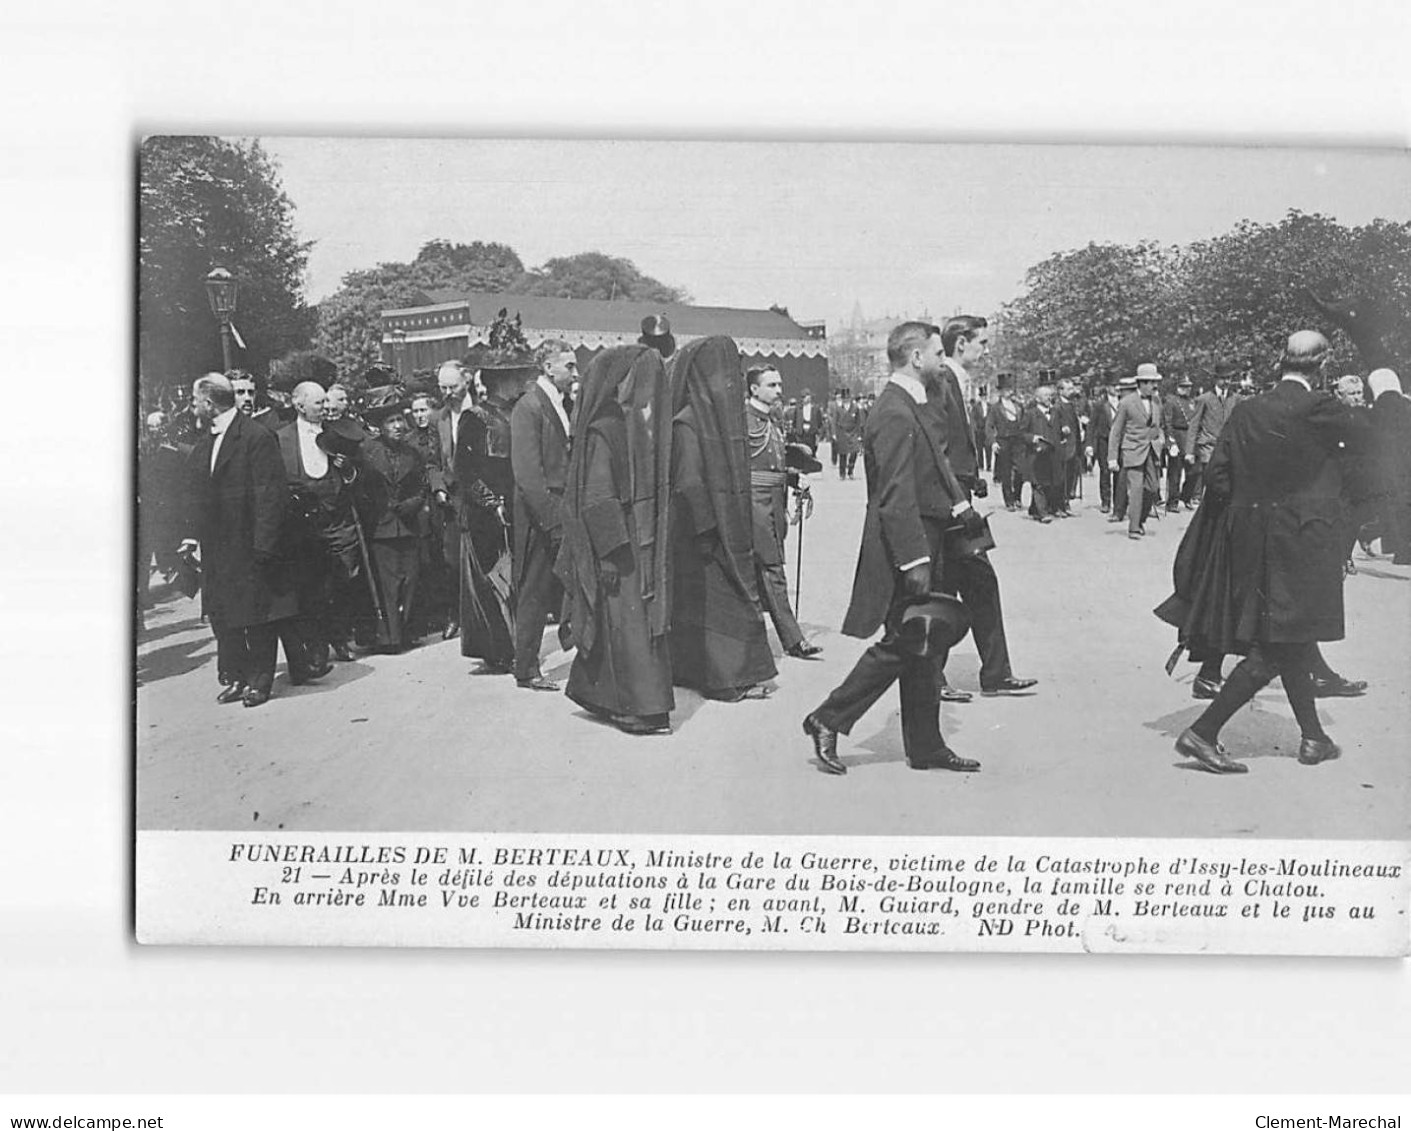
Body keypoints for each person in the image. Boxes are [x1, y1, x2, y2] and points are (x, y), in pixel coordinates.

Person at [1156, 332, 1364, 773]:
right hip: (1303, 543)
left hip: (1251, 545)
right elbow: (1371, 452)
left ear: (1281, 362)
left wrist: (1250, 517)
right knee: (1279, 643)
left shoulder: (1247, 410)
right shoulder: (1323, 409)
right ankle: (1203, 733)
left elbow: (1218, 476)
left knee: (1289, 637)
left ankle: (1313, 737)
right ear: (1322, 364)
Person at [802, 322, 986, 775]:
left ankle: (925, 747)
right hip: (908, 546)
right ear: (915, 357)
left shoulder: (912, 403)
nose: (944, 362)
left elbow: (934, 469)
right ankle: (828, 717)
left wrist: (961, 510)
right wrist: (915, 560)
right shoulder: (894, 411)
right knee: (905, 641)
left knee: (924, 643)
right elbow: (895, 495)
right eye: (939, 354)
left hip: (929, 537)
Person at [556, 345, 675, 735]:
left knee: (629, 626)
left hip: (638, 537)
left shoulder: (635, 424)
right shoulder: (605, 429)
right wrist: (608, 555)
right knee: (629, 627)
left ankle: (612, 697)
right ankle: (638, 707)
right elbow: (597, 498)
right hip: (619, 543)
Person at [667, 336, 778, 701]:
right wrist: (708, 530)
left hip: (723, 530)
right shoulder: (687, 423)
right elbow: (688, 482)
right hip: (704, 534)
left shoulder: (717, 422)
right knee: (718, 607)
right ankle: (725, 679)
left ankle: (722, 673)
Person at [179, 373, 298, 708]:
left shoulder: (256, 437)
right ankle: (235, 676)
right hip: (218, 549)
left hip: (249, 546)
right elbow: (199, 494)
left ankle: (260, 680)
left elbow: (270, 495)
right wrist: (190, 537)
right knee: (223, 615)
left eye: (194, 400)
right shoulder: (206, 441)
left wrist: (264, 545)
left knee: (257, 615)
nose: (192, 407)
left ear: (208, 402)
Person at [935, 316, 1035, 697]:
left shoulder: (957, 381)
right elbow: (938, 448)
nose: (986, 349)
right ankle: (936, 677)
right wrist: (959, 498)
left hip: (960, 496)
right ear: (962, 343)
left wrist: (973, 475)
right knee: (946, 591)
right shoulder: (944, 380)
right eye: (982, 342)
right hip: (950, 505)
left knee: (977, 585)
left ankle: (995, 672)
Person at [276, 381, 361, 664]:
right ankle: (317, 645)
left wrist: (347, 469)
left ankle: (340, 636)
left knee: (345, 579)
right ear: (299, 405)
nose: (326, 408)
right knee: (311, 587)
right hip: (304, 526)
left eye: (327, 402)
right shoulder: (280, 438)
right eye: (319, 403)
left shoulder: (338, 433)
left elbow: (356, 473)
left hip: (338, 519)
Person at [509, 339, 576, 690]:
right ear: (548, 367)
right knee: (533, 590)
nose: (575, 372)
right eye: (570, 366)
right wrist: (551, 519)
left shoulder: (561, 403)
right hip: (540, 513)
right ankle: (526, 668)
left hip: (559, 507)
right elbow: (527, 474)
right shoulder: (529, 406)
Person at [746, 366, 822, 659]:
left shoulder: (773, 418)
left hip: (775, 503)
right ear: (754, 389)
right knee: (772, 568)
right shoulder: (744, 420)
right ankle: (793, 639)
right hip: (755, 504)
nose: (779, 390)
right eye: (772, 385)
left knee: (764, 570)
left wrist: (793, 477)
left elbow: (774, 463)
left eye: (779, 384)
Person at [453, 364, 523, 673]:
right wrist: (490, 502)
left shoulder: (518, 413)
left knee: (514, 578)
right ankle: (498, 649)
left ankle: (517, 643)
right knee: (492, 580)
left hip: (514, 503)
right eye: (514, 380)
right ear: (499, 383)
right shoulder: (475, 417)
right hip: (485, 512)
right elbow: (465, 469)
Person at [356, 397, 426, 652]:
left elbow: (422, 486)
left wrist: (413, 504)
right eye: (390, 421)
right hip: (381, 527)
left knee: (410, 580)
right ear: (380, 427)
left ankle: (406, 631)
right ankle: (389, 637)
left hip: (408, 524)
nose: (397, 426)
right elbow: (359, 488)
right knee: (387, 584)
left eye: (399, 420)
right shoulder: (367, 452)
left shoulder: (413, 453)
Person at [428, 360, 477, 641]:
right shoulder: (439, 418)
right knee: (453, 561)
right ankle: (456, 616)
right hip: (452, 499)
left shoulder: (481, 412)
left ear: (467, 381)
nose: (447, 392)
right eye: (442, 387)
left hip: (480, 496)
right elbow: (432, 462)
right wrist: (438, 488)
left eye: (453, 386)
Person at [1109, 363, 1165, 539]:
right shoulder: (1126, 402)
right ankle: (1133, 528)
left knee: (1153, 487)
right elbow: (1116, 431)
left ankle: (1140, 519)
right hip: (1132, 450)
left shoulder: (1156, 401)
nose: (1153, 386)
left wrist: (1161, 440)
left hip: (1151, 450)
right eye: (1150, 382)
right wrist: (1112, 458)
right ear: (1140, 383)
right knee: (1136, 489)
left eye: (1155, 382)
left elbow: (1158, 425)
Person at [1019, 382, 1062, 523]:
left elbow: (1058, 430)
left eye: (1050, 395)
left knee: (1048, 482)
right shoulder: (1030, 414)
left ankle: (1034, 509)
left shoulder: (1055, 412)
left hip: (1051, 454)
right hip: (1036, 455)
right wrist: (1033, 438)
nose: (1049, 397)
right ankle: (1043, 513)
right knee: (1038, 483)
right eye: (1045, 395)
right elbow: (1021, 433)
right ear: (1037, 399)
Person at [985, 373, 1025, 510]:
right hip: (1004, 441)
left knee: (1020, 470)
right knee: (1006, 472)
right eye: (1006, 389)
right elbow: (989, 426)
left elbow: (1025, 423)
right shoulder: (995, 408)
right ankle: (1009, 501)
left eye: (1010, 389)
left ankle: (1018, 497)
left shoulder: (1019, 406)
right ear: (1000, 391)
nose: (1009, 391)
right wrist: (993, 442)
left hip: (1018, 441)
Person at [1086, 375, 1121, 514]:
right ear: (1108, 388)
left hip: (1119, 441)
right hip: (1104, 441)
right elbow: (1091, 425)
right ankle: (1106, 502)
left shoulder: (1123, 402)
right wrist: (1089, 444)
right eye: (1114, 386)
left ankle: (1119, 502)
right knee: (1105, 472)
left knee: (1119, 472)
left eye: (1118, 386)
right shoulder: (1100, 404)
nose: (1117, 389)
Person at [1163, 376, 1196, 511]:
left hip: (1190, 438)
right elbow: (1168, 423)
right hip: (1177, 436)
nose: (1187, 389)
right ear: (1178, 388)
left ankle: (1186, 496)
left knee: (1194, 471)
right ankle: (1173, 502)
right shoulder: (1172, 402)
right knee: (1175, 473)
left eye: (1188, 387)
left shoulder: (1192, 402)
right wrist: (1171, 442)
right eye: (1184, 387)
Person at [830, 387, 864, 479]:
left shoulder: (855, 408)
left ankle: (850, 470)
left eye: (848, 398)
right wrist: (834, 433)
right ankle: (842, 473)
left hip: (852, 432)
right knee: (843, 454)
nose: (846, 400)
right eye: (844, 399)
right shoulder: (838, 408)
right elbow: (834, 421)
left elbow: (858, 422)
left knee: (854, 452)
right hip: (842, 432)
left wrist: (859, 435)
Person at [787, 387, 824, 452]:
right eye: (802, 397)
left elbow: (820, 423)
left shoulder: (816, 409)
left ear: (809, 397)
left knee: (811, 454)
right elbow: (794, 423)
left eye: (804, 397)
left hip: (811, 435)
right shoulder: (798, 409)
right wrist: (796, 433)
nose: (803, 399)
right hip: (800, 435)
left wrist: (818, 435)